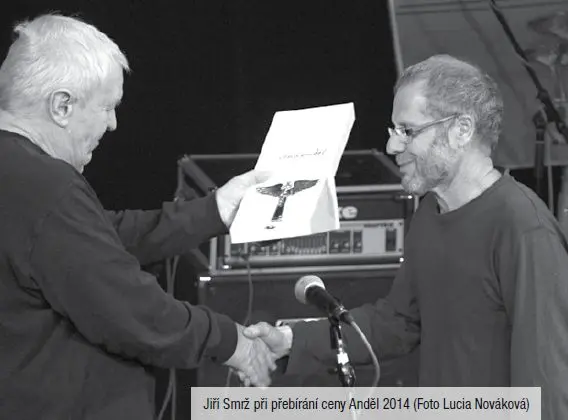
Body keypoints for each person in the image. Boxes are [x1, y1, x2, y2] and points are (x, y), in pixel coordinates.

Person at [244, 54, 568, 419]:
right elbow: (398, 323)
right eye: (393, 131)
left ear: (462, 130)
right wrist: (292, 340)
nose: (392, 147)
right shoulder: (430, 213)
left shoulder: (523, 229)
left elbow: (547, 385)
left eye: (408, 131)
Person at [0, 13, 277, 420]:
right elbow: (129, 310)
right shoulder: (47, 187)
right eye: (107, 107)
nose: (113, 124)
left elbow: (101, 238)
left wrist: (214, 210)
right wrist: (230, 340)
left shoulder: (22, 179)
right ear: (62, 105)